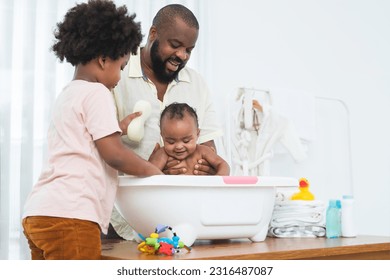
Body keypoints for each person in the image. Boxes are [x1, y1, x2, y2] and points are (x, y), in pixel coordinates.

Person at [21, 0, 163, 260]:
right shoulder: (98, 93)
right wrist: (153, 172)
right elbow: (115, 155)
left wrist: (115, 128)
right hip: (71, 216)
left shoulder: (68, 93)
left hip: (39, 213)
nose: (120, 77)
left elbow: (79, 139)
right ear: (103, 59)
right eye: (120, 67)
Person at [110, 4, 224, 240]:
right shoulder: (116, 73)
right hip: (120, 219)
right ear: (153, 34)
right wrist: (157, 168)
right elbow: (104, 145)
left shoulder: (197, 84)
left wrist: (199, 165)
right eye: (175, 45)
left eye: (189, 50)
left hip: (181, 225)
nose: (182, 55)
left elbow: (209, 148)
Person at [149, 103, 230, 175]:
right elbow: (150, 172)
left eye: (186, 141)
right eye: (171, 142)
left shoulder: (203, 151)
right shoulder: (163, 154)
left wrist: (217, 180)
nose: (179, 146)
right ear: (162, 136)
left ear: (197, 134)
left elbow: (223, 165)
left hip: (199, 192)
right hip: (171, 192)